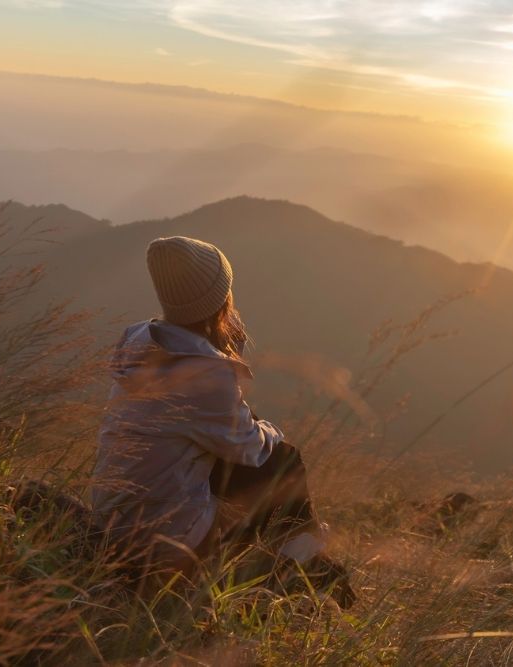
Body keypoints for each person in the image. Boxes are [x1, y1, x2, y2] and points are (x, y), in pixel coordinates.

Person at [92, 236, 354, 608]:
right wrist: (271, 429)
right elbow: (248, 448)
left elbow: (207, 428)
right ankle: (307, 570)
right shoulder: (204, 375)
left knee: (261, 455)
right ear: (219, 300)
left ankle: (306, 560)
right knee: (282, 459)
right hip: (163, 540)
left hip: (115, 519)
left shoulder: (141, 345)